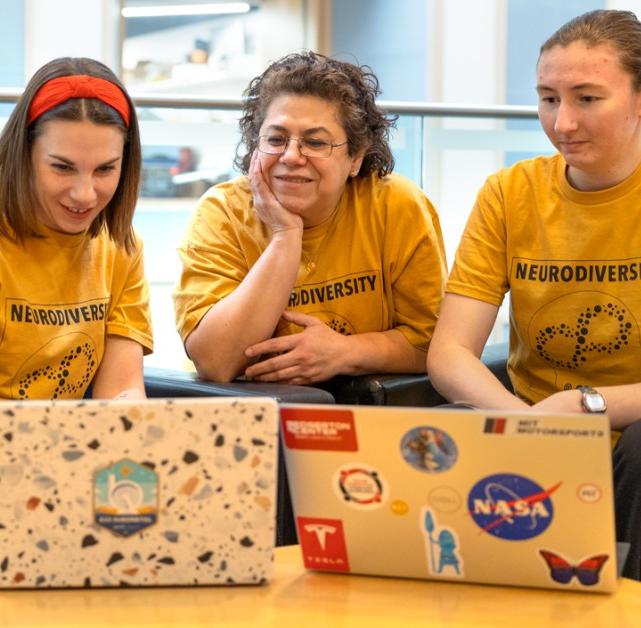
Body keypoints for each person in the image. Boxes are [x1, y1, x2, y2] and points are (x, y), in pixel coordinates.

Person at [426, 9, 641, 580]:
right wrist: (523, 423)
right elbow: (449, 353)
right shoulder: (509, 192)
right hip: (527, 418)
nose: (563, 122)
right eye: (548, 98)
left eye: (588, 98)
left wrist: (585, 407)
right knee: (449, 425)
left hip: (628, 429)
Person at [174, 51, 446, 385]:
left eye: (315, 142)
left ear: (356, 158)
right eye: (275, 139)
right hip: (260, 417)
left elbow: (437, 344)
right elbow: (215, 361)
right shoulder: (223, 213)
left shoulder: (397, 206)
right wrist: (285, 235)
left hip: (369, 416)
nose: (291, 156)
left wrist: (346, 352)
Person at [0, 57, 153, 400]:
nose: (84, 194)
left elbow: (121, 391)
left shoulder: (121, 248)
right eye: (62, 167)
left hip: (65, 447)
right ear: (24, 154)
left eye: (104, 170)